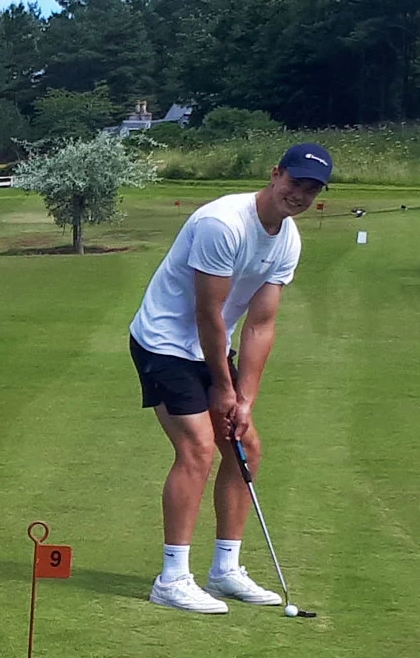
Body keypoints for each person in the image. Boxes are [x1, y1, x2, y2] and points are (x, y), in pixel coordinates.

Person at [128, 142, 332, 613]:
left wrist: (245, 398)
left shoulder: (288, 239)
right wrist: (222, 387)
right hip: (163, 341)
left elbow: (261, 324)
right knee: (198, 447)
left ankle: (225, 570)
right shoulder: (223, 223)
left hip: (209, 346)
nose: (299, 194)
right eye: (295, 181)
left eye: (312, 189)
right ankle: (172, 578)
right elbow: (208, 311)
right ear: (275, 172)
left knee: (246, 448)